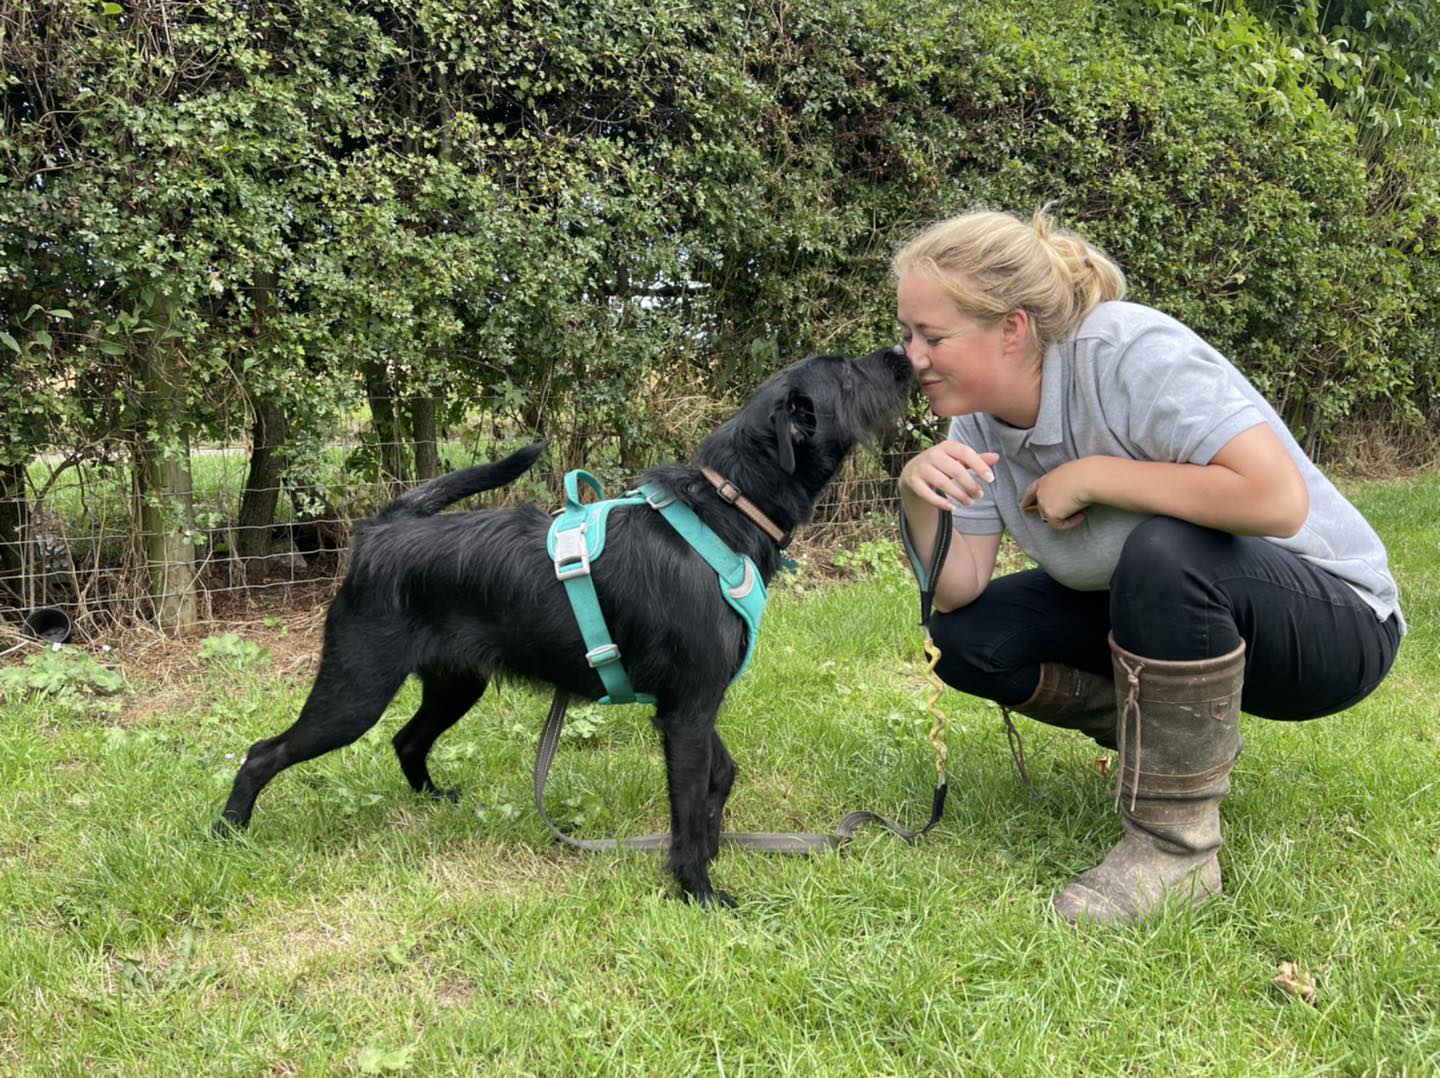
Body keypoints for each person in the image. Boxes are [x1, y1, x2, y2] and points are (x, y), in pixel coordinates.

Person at [894, 208, 1404, 925]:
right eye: (907, 333)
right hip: (1174, 614)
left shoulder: (1125, 351)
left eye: (932, 336)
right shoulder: (975, 419)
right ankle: (1178, 745)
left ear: (1011, 327)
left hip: (1336, 623)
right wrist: (920, 497)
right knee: (965, 637)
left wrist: (1098, 475)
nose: (911, 355)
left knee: (1164, 550)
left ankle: (1176, 852)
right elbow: (959, 588)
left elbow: (1276, 500)